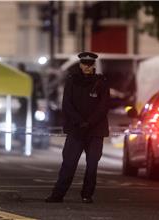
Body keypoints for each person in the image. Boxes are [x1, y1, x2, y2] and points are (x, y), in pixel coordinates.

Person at [45, 52, 110, 203]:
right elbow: (67, 104)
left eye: (90, 64)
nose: (87, 67)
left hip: (95, 131)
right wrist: (80, 122)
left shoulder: (101, 82)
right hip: (76, 129)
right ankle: (57, 195)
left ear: (93, 65)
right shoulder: (72, 81)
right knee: (68, 163)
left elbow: (104, 106)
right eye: (84, 64)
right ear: (80, 65)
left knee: (92, 165)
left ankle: (87, 195)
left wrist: (89, 122)